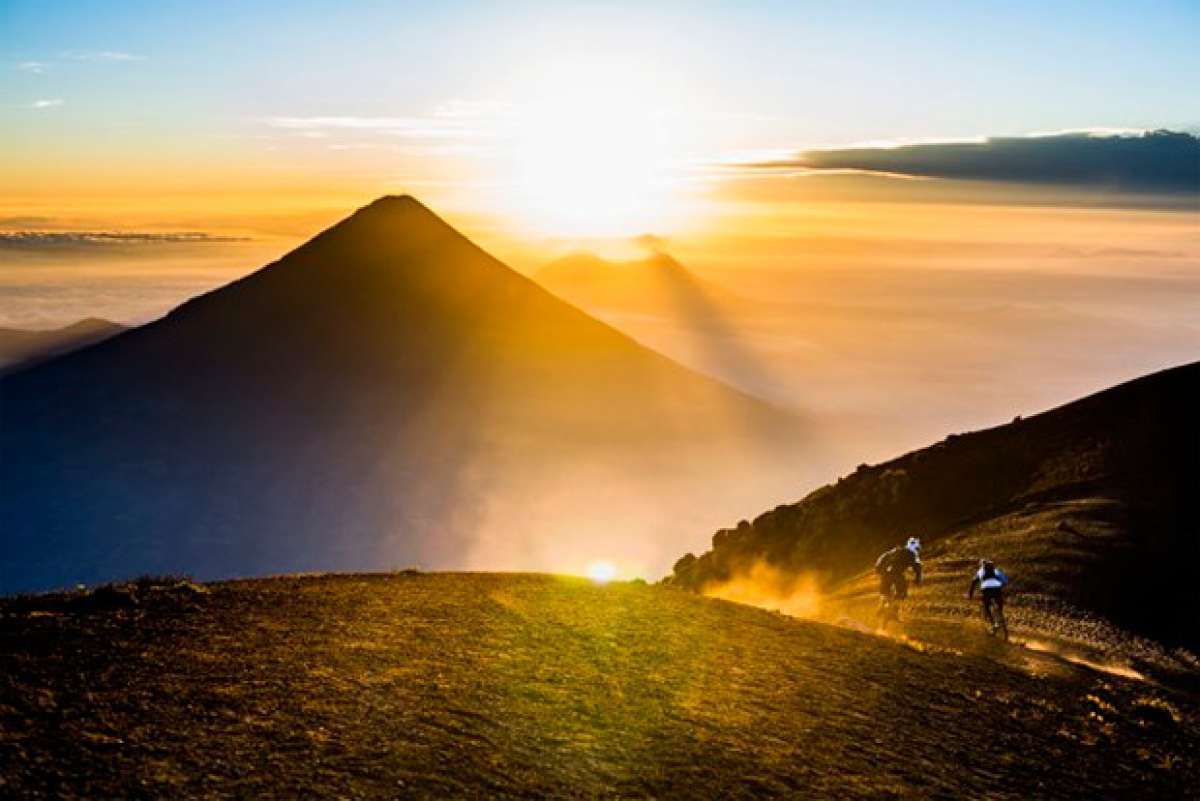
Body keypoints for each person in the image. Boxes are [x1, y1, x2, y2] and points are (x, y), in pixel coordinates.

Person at [875, 537, 923, 616]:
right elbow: (917, 567)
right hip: (897, 574)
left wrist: (879, 572)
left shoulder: (889, 552)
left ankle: (881, 607)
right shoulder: (910, 553)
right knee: (901, 592)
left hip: (885, 574)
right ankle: (894, 611)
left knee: (885, 592)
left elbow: (878, 563)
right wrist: (918, 579)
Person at [967, 559, 1010, 636]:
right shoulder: (995, 570)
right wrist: (1001, 584)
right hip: (997, 588)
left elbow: (973, 582)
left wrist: (970, 594)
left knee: (987, 606)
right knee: (999, 605)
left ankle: (993, 624)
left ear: (981, 565)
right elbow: (1005, 580)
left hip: (986, 589)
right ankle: (1000, 617)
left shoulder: (980, 571)